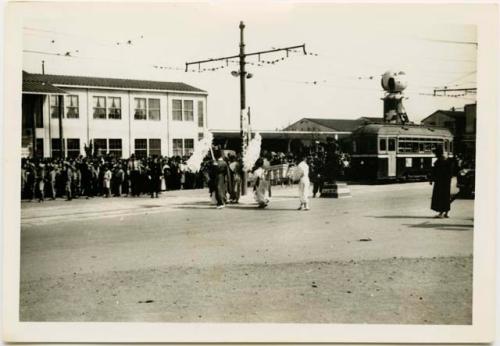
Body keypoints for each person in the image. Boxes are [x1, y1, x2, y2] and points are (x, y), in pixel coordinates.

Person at [430, 147, 453, 218]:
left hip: (440, 182)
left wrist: (432, 179)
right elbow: (450, 172)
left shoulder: (439, 161)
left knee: (440, 197)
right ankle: (446, 213)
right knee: (446, 197)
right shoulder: (446, 160)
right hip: (446, 182)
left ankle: (440, 213)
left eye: (435, 153)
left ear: (438, 153)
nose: (435, 155)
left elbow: (435, 172)